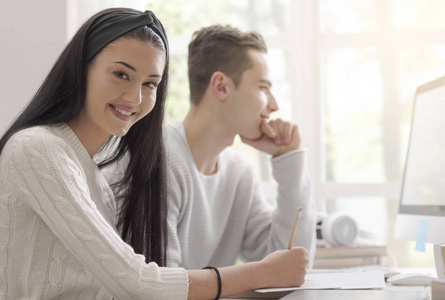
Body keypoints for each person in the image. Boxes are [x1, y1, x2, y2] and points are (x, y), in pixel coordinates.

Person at [0, 8, 308, 300]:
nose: (135, 97)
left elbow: (289, 263)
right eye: (121, 74)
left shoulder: (95, 180)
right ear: (81, 69)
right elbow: (135, 281)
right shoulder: (36, 149)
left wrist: (290, 163)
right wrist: (261, 273)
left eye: (150, 84)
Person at [165, 25, 316, 270]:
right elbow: (161, 289)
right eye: (263, 88)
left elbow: (288, 265)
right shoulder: (161, 162)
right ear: (221, 86)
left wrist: (290, 160)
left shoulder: (238, 173)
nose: (274, 105)